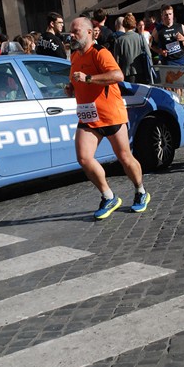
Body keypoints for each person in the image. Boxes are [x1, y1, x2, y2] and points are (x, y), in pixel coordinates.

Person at [66, 16, 150, 219]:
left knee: (124, 157)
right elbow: (78, 83)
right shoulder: (75, 56)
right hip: (88, 116)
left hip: (110, 115)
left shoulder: (99, 52)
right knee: (84, 158)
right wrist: (71, 88)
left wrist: (89, 79)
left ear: (88, 32)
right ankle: (108, 196)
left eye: (76, 31)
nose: (72, 34)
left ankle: (140, 191)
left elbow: (117, 75)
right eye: (71, 31)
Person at [114, 12, 150, 83]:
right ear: (134, 24)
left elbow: (116, 60)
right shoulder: (140, 37)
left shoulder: (119, 40)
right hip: (142, 71)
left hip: (127, 73)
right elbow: (149, 54)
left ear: (124, 25)